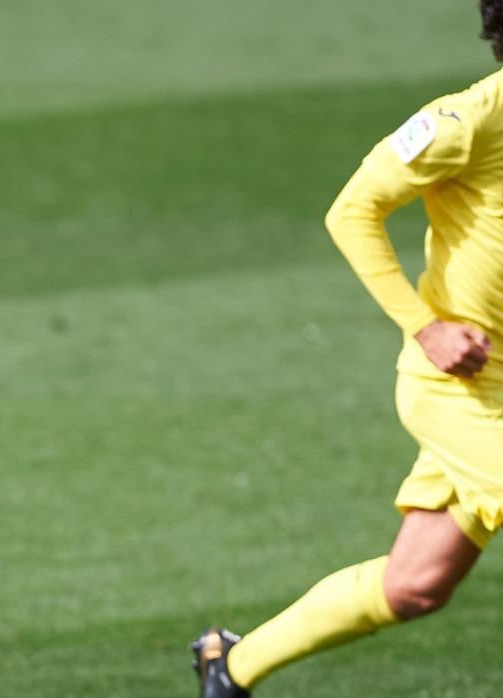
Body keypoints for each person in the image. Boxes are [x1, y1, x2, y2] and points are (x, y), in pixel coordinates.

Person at [192, 4, 503, 696]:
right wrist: (427, 327)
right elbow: (352, 210)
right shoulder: (466, 123)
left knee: (416, 585)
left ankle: (229, 668)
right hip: (458, 391)